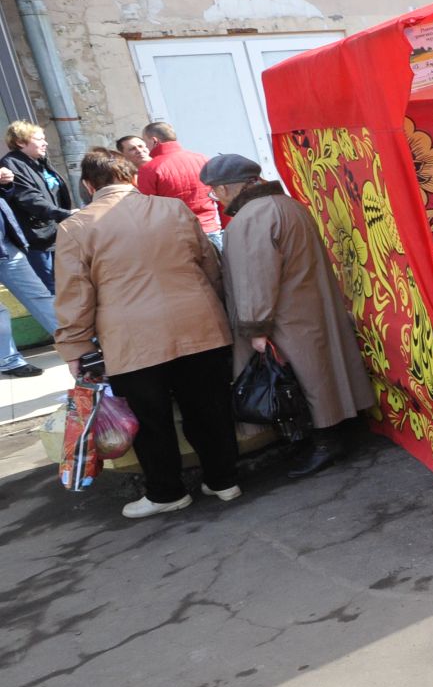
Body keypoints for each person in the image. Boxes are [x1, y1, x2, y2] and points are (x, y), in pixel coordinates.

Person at [55, 148, 240, 519]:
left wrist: (74, 347)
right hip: (198, 322)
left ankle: (167, 491)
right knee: (209, 407)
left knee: (149, 418)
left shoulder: (76, 227)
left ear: (89, 186)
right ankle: (223, 481)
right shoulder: (173, 209)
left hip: (132, 338)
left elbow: (75, 295)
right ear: (133, 179)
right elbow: (210, 265)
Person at [200, 154, 373, 477]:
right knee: (321, 372)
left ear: (226, 187)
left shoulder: (251, 217)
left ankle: (324, 442)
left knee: (302, 380)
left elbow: (257, 278)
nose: (215, 198)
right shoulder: (288, 205)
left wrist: (256, 326)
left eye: (214, 191)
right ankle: (329, 434)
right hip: (308, 304)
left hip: (285, 315)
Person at [0, 169, 60, 377]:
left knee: (39, 295)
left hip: (5, 244)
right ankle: (8, 360)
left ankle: (73, 341)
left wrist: (5, 185)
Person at [1, 120, 73, 291]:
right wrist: (65, 214)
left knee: (67, 283)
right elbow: (29, 199)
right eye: (39, 139)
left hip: (55, 232)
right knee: (51, 287)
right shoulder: (11, 164)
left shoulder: (40, 161)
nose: (45, 143)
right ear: (20, 142)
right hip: (36, 238)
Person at [135, 121, 223, 249]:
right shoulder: (203, 159)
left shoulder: (149, 169)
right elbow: (222, 196)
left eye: (145, 142)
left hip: (177, 235)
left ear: (154, 141)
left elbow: (148, 211)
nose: (145, 148)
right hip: (211, 228)